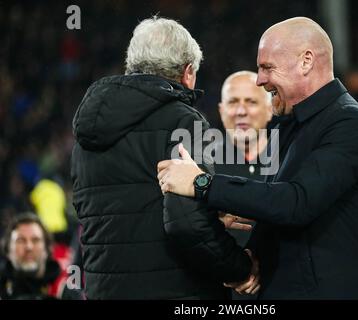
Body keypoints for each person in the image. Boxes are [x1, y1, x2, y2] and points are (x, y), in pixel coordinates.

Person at [157, 17, 358, 299]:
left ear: (306, 61)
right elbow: (277, 214)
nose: (260, 80)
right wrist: (249, 261)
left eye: (267, 67)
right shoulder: (288, 124)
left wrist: (202, 184)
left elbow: (295, 203)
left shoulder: (350, 124)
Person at [70, 16, 253, 299]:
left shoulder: (87, 133)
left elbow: (113, 215)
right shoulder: (185, 121)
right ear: (187, 72)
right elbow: (186, 224)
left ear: (132, 65)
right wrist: (241, 269)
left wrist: (207, 216)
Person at [215, 70, 273, 248]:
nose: (241, 111)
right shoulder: (202, 165)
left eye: (251, 102)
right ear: (221, 110)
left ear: (270, 110)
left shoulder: (291, 161)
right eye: (233, 102)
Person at [0, 213, 69, 299]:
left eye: (35, 240)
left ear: (47, 249)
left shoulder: (66, 290)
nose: (29, 247)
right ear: (8, 249)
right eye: (21, 240)